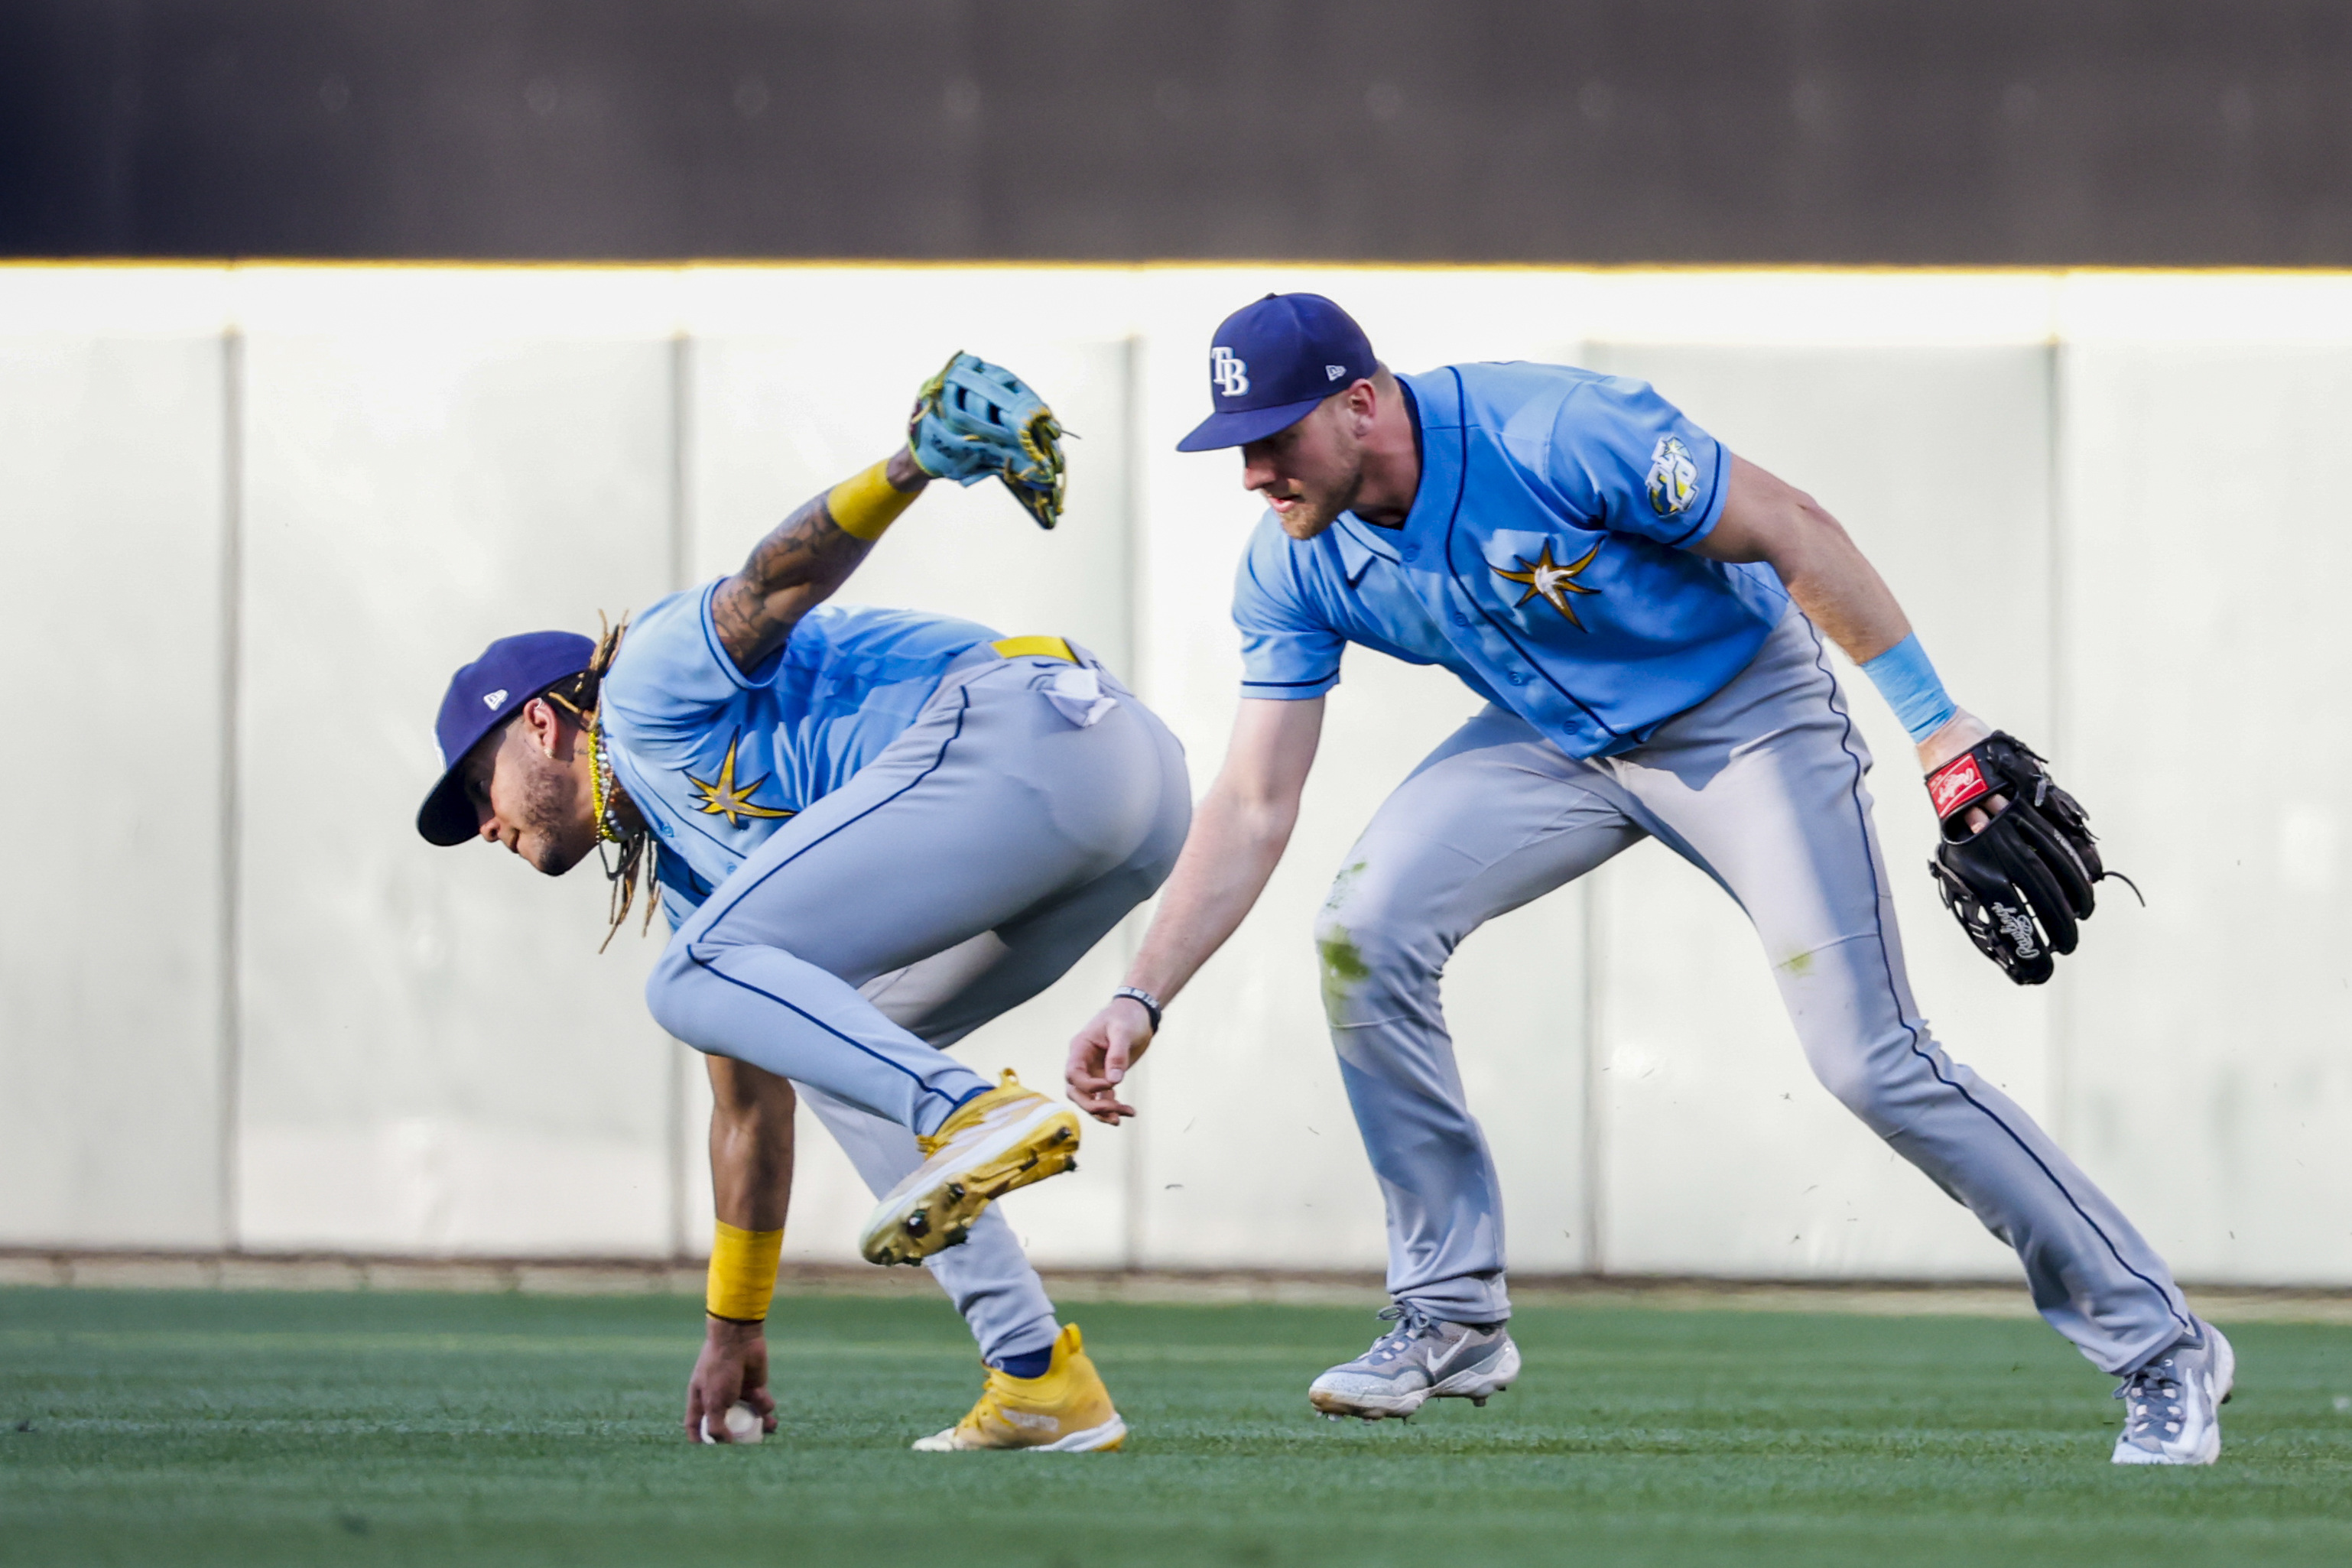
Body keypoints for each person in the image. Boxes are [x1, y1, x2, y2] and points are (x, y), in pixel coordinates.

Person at [1064, 294, 2230, 1466]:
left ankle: (2161, 1345)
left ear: (1361, 402)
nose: (1256, 471)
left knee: (1870, 1064)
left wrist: (1936, 731)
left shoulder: (1551, 429)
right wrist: (1142, 991)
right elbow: (1257, 799)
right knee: (1362, 931)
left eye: (1275, 436)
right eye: (1239, 445)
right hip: (1553, 743)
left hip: (1745, 720)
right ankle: (1452, 1308)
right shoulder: (1296, 563)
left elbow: (1793, 523)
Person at [417, 353, 1190, 1453]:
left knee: (694, 985)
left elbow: (772, 583)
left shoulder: (639, 691)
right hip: (1131, 799)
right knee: (851, 1047)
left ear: (542, 725)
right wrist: (734, 1324)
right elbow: (750, 1105)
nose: (483, 827)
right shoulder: (702, 885)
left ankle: (967, 1111)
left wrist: (911, 466)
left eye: (474, 790)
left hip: (1035, 736)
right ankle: (1037, 1379)